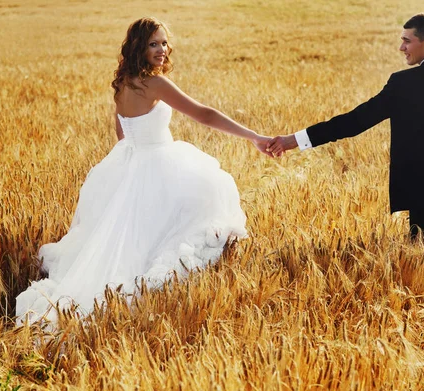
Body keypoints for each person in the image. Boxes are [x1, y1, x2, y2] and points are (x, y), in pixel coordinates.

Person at [16, 17, 272, 323]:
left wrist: (131, 170)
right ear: (139, 46)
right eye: (154, 43)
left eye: (164, 42)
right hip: (156, 159)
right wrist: (254, 136)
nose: (162, 49)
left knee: (131, 237)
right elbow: (203, 114)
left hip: (131, 161)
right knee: (204, 197)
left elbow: (121, 133)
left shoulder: (123, 83)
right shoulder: (155, 83)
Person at [266, 13, 424, 292]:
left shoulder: (402, 84)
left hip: (420, 186)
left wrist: (296, 140)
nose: (401, 47)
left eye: (406, 41)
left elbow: (355, 121)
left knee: (422, 269)